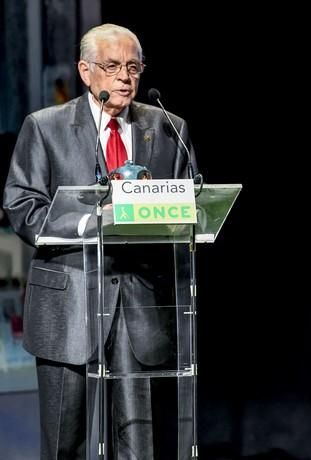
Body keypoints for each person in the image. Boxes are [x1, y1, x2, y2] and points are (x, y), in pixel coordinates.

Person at [3, 23, 197, 459]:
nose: (125, 77)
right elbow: (22, 205)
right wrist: (89, 224)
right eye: (112, 67)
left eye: (133, 67)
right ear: (86, 71)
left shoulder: (168, 128)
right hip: (68, 305)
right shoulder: (46, 127)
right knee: (62, 445)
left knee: (138, 446)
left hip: (141, 309)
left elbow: (190, 206)